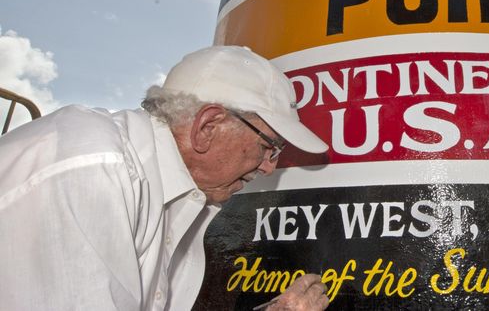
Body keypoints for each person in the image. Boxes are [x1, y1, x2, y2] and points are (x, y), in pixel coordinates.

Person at [0, 45, 331, 310]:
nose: (269, 167)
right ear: (208, 126)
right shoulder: (92, 169)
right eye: (268, 147)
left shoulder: (163, 190)